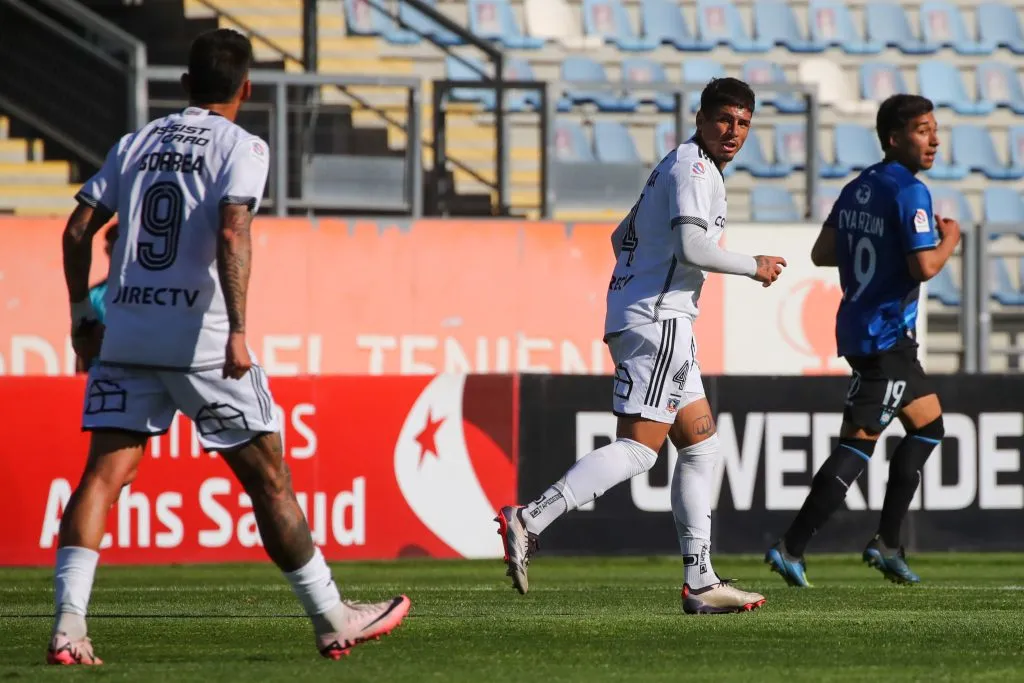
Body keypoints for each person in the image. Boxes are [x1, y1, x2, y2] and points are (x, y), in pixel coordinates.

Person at [50, 28, 410, 666]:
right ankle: (331, 616)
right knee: (269, 478)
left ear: (185, 85)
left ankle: (68, 629)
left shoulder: (136, 143)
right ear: (246, 89)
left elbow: (79, 228)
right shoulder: (242, 146)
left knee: (102, 477)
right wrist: (239, 329)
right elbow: (234, 228)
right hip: (202, 341)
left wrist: (83, 316)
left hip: (128, 333)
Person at [495, 78, 788, 614]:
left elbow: (620, 236)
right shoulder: (696, 168)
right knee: (639, 449)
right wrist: (754, 266)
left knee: (701, 446)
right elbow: (694, 246)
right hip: (660, 321)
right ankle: (530, 518)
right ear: (701, 119)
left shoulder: (673, 165)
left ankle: (700, 581)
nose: (734, 131)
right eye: (724, 118)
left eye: (744, 122)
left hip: (652, 316)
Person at [765, 94, 959, 587]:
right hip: (884, 335)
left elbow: (823, 251)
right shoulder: (911, 192)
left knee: (929, 425)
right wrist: (952, 238)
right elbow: (925, 266)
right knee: (858, 444)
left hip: (860, 327)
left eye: (934, 129)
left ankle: (888, 542)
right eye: (922, 129)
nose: (933, 139)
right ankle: (792, 546)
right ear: (895, 138)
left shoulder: (858, 187)